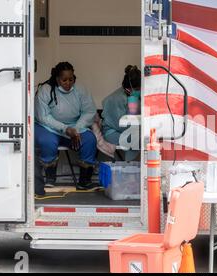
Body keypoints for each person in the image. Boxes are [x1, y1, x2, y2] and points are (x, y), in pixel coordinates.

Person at [35, 62, 97, 190]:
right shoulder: (45, 90)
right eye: (64, 80)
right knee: (48, 142)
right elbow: (43, 116)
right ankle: (50, 177)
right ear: (57, 79)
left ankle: (84, 180)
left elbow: (89, 111)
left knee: (90, 140)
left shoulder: (81, 89)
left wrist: (76, 129)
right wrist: (65, 129)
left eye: (71, 79)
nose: (68, 83)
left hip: (74, 126)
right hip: (49, 127)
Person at [101, 65, 141, 161]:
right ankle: (130, 168)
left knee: (142, 139)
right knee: (134, 141)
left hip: (128, 130)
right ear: (130, 88)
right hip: (112, 132)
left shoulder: (133, 97)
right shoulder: (115, 99)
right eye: (138, 89)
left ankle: (132, 168)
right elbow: (121, 125)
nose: (140, 91)